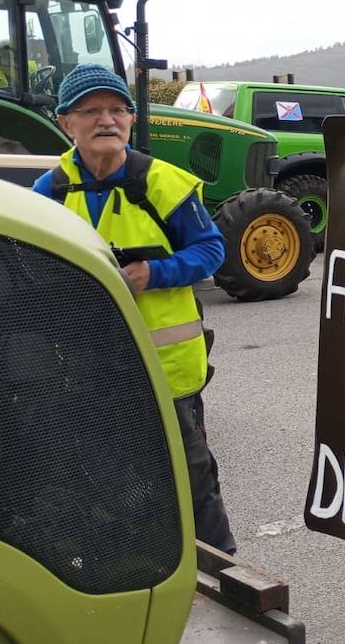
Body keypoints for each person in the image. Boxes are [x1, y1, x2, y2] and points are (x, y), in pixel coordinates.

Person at [33, 63, 238, 553]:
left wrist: (154, 273)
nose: (107, 120)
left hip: (166, 370)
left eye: (117, 109)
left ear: (129, 119)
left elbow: (211, 250)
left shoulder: (163, 183)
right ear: (66, 123)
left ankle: (226, 574)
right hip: (87, 371)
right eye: (91, 111)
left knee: (190, 479)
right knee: (106, 478)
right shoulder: (50, 190)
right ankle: (141, 563)